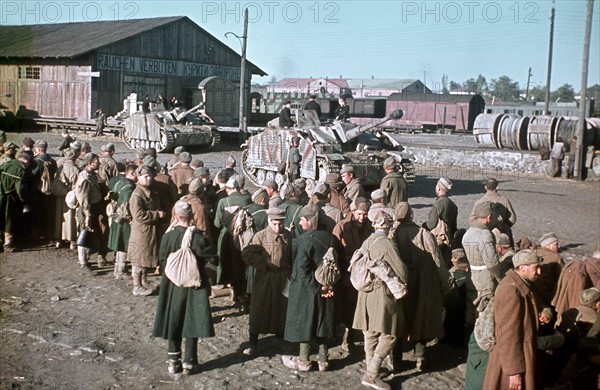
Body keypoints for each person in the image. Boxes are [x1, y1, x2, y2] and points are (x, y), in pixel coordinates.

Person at [152, 200, 216, 378]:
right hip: (195, 286)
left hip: (172, 286)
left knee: (173, 320)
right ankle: (190, 361)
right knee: (192, 321)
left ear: (176, 216)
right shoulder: (198, 238)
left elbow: (162, 259)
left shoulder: (167, 237)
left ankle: (173, 361)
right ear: (191, 216)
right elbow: (213, 259)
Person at [391, 202, 449, 371]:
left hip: (402, 281)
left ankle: (396, 358)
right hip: (423, 282)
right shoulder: (424, 233)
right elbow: (438, 260)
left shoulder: (393, 234)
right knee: (420, 318)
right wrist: (444, 283)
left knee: (400, 319)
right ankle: (420, 356)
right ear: (411, 215)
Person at [353, 211, 408, 390]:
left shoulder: (367, 240)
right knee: (390, 332)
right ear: (389, 225)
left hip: (365, 293)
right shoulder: (386, 244)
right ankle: (372, 373)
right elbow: (401, 270)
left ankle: (370, 369)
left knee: (370, 333)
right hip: (382, 294)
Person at [282, 203, 337, 372]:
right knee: (323, 324)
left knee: (304, 322)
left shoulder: (304, 241)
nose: (299, 223)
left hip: (308, 291)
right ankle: (323, 360)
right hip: (328, 287)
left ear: (309, 221)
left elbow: (301, 270)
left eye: (302, 220)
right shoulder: (330, 237)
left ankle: (304, 360)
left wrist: (315, 288)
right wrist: (326, 286)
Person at [483, 250, 542, 390]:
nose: (539, 272)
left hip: (518, 354)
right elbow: (507, 334)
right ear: (523, 268)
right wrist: (513, 371)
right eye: (536, 268)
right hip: (511, 360)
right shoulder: (511, 291)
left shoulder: (522, 284)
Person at [240, 208, 292, 356]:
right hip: (265, 278)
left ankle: (280, 338)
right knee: (259, 309)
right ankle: (253, 342)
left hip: (283, 277)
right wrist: (264, 263)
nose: (278, 227)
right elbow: (247, 254)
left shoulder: (288, 235)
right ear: (269, 221)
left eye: (281, 224)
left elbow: (292, 255)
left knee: (282, 308)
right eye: (275, 224)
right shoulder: (260, 237)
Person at [462, 201, 500, 390]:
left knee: (471, 311)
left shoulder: (468, 233)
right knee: (484, 314)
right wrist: (501, 278)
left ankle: (467, 349)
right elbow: (492, 262)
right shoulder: (485, 235)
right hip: (485, 278)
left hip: (472, 277)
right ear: (488, 217)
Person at [333, 197, 373, 352]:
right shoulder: (342, 226)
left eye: (364, 214)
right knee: (341, 305)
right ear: (353, 211)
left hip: (362, 272)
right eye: (359, 214)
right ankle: (340, 333)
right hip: (344, 271)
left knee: (358, 304)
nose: (362, 217)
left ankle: (351, 335)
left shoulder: (370, 227)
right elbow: (333, 249)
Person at [127, 165, 166, 296]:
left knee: (145, 259)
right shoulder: (137, 195)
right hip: (141, 232)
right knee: (138, 260)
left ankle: (143, 281)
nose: (149, 178)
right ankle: (137, 286)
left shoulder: (149, 191)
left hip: (149, 231)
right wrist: (156, 214)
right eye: (145, 176)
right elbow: (138, 215)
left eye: (149, 176)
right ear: (138, 178)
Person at [75, 153, 108, 270]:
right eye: (96, 162)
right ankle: (83, 261)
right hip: (87, 210)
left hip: (96, 208)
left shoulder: (93, 175)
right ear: (89, 164)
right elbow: (84, 199)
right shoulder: (85, 178)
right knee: (84, 234)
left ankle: (100, 256)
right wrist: (87, 215)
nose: (99, 163)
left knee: (100, 233)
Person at [107, 165, 136, 280]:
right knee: (124, 244)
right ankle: (121, 270)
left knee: (120, 244)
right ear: (132, 173)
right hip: (124, 221)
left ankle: (117, 269)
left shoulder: (119, 183)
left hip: (116, 218)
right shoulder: (129, 187)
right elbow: (126, 206)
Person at [469, 178, 517, 248]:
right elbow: (512, 218)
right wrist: (504, 226)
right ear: (497, 187)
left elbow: (471, 220)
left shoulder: (479, 202)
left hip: (484, 236)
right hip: (502, 235)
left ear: (485, 187)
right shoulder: (504, 200)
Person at [0, 151, 32, 252]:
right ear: (26, 161)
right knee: (9, 220)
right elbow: (20, 189)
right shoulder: (20, 170)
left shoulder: (6, 164)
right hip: (9, 198)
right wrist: (25, 201)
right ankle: (8, 244)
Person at [426, 177, 458, 264]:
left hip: (438, 239)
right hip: (448, 239)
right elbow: (454, 226)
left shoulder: (438, 204)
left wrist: (424, 226)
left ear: (438, 188)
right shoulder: (453, 205)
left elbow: (431, 224)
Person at [54, 149, 80, 250]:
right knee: (71, 219)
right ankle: (72, 240)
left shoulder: (60, 168)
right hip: (71, 197)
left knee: (59, 218)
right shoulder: (76, 169)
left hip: (60, 196)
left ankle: (58, 240)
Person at [533, 232, 565, 310]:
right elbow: (562, 279)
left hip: (534, 293)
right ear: (548, 245)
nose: (559, 246)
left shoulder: (533, 253)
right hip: (548, 295)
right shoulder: (556, 258)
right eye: (556, 244)